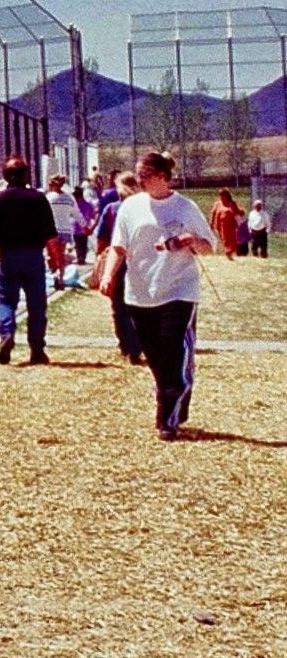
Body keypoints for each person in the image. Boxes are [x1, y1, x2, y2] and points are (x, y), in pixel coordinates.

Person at [98, 151, 213, 441]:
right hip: (140, 293)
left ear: (162, 177)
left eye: (143, 177)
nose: (138, 181)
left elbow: (209, 247)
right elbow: (119, 247)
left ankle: (167, 418)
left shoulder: (185, 208)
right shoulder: (130, 208)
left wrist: (190, 240)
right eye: (137, 176)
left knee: (174, 352)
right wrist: (109, 275)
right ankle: (174, 401)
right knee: (157, 358)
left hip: (179, 292)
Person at [0, 157, 57, 365]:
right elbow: (51, 235)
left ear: (5, 176)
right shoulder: (38, 199)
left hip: (9, 255)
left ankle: (7, 333)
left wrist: (3, 256)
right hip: (34, 256)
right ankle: (37, 350)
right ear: (26, 175)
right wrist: (56, 261)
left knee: (6, 300)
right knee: (37, 305)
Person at [95, 171, 144, 365]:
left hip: (117, 261)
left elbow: (102, 237)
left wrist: (102, 256)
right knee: (139, 305)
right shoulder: (143, 209)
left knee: (119, 306)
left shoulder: (111, 209)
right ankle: (137, 345)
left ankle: (126, 344)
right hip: (140, 261)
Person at [45, 174, 81, 283]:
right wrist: (85, 227)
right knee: (60, 255)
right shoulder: (69, 197)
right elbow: (76, 213)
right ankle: (60, 276)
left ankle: (56, 274)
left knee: (52, 255)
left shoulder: (49, 197)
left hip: (51, 230)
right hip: (65, 230)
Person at [210, 188, 241, 260]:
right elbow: (213, 213)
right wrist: (211, 223)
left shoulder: (232, 203)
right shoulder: (217, 204)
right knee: (225, 239)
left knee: (233, 240)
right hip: (221, 225)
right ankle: (228, 253)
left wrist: (239, 212)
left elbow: (238, 212)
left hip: (231, 225)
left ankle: (230, 251)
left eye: (223, 196)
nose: (221, 197)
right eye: (220, 196)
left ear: (227, 196)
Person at [72, 185, 96, 265]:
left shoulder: (87, 205)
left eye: (77, 198)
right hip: (75, 229)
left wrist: (92, 227)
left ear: (81, 196)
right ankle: (80, 258)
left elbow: (93, 215)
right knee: (78, 245)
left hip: (84, 230)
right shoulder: (73, 205)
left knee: (84, 245)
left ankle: (82, 258)